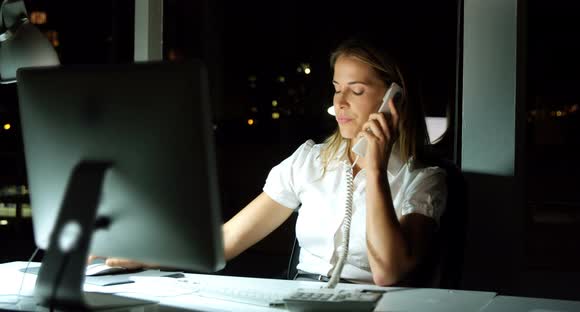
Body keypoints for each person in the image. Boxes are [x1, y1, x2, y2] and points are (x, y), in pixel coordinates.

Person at [93, 36, 447, 287]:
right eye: (336, 88)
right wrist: (145, 254)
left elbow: (388, 272)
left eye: (356, 91)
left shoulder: (424, 180)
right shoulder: (311, 161)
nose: (339, 102)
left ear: (393, 100)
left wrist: (375, 169)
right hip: (301, 297)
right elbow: (229, 239)